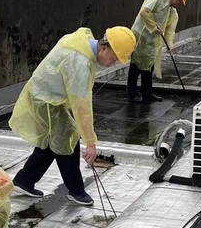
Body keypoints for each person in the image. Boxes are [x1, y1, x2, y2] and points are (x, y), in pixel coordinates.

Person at [8, 26, 136, 206]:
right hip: (45, 99)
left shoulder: (82, 42)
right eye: (114, 59)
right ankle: (76, 191)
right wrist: (90, 142)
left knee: (55, 141)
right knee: (67, 137)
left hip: (45, 94)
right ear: (104, 47)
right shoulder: (80, 62)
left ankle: (24, 181)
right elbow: (82, 106)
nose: (112, 64)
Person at [128, 0, 190, 103]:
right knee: (135, 66)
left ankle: (147, 93)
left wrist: (170, 45)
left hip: (153, 42)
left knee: (149, 67)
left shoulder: (173, 13)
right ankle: (133, 94)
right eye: (180, 2)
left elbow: (170, 31)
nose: (179, 5)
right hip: (141, 38)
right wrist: (153, 26)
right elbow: (144, 12)